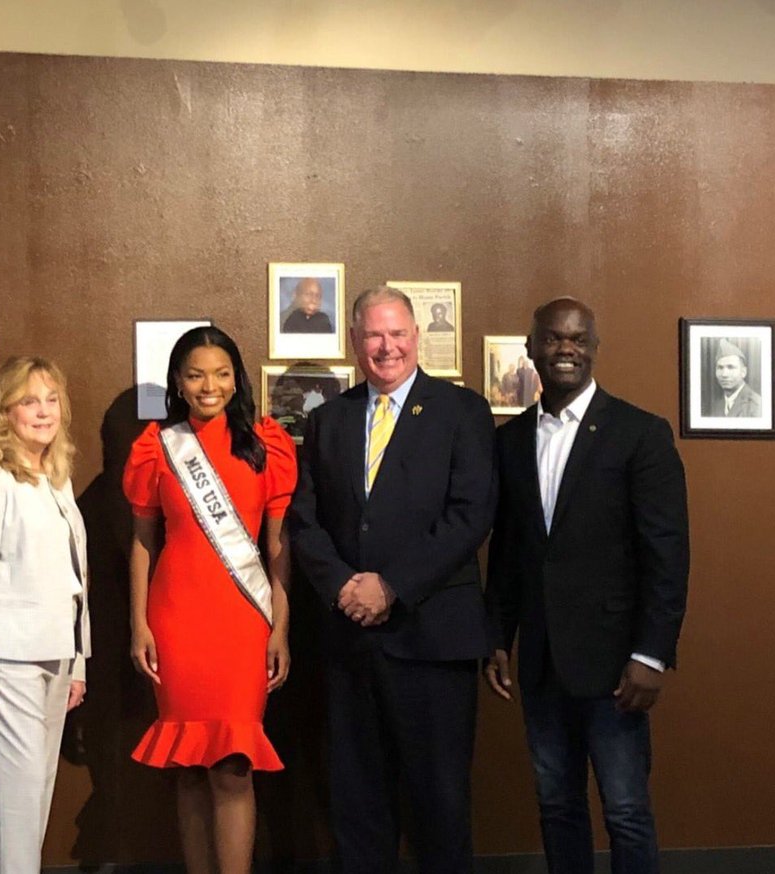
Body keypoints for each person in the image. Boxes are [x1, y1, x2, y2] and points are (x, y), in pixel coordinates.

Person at [290, 285, 496, 874]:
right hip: (350, 643)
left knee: (439, 805)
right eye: (374, 335)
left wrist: (392, 586)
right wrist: (342, 586)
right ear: (355, 341)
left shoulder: (463, 412)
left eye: (398, 333)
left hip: (432, 642)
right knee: (357, 806)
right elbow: (306, 520)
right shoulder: (328, 419)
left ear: (416, 337)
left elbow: (470, 514)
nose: (387, 347)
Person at [484, 298, 689, 874]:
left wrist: (651, 654)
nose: (566, 349)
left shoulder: (639, 434)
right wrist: (497, 635)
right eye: (553, 339)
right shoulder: (511, 440)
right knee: (556, 804)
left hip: (616, 664)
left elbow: (667, 556)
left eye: (577, 339)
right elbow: (509, 550)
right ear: (532, 350)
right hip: (543, 661)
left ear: (594, 348)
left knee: (625, 810)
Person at [124, 325, 296, 874]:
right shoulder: (157, 447)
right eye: (196, 374)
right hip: (175, 620)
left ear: (236, 379)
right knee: (190, 766)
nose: (208, 385)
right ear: (178, 379)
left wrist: (281, 629)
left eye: (221, 373)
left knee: (233, 764)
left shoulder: (266, 443)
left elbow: (278, 549)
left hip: (244, 622)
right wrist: (138, 625)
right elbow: (142, 544)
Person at [0, 356, 90, 874]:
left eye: (51, 399)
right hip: (6, 663)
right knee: (18, 811)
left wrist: (78, 662)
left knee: (29, 812)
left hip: (56, 657)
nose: (43, 411)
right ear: (3, 411)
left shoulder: (56, 478)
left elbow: (73, 578)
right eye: (29, 400)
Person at [709, 339, 761, 417]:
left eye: (731, 367)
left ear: (743, 372)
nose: (724, 374)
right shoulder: (717, 406)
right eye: (720, 368)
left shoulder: (757, 406)